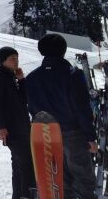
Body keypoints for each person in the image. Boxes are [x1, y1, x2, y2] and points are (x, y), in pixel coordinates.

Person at [25, 34, 97, 199]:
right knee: (82, 177)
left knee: (58, 179)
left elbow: (32, 108)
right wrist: (90, 136)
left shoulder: (32, 78)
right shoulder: (72, 75)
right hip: (72, 133)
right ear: (63, 50)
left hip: (46, 134)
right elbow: (81, 108)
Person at [0, 46, 35, 199]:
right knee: (27, 167)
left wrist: (22, 81)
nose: (16, 61)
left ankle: (19, 196)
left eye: (17, 58)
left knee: (19, 167)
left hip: (23, 128)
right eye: (12, 58)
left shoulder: (12, 78)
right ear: (3, 61)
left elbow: (24, 100)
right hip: (12, 130)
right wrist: (0, 127)